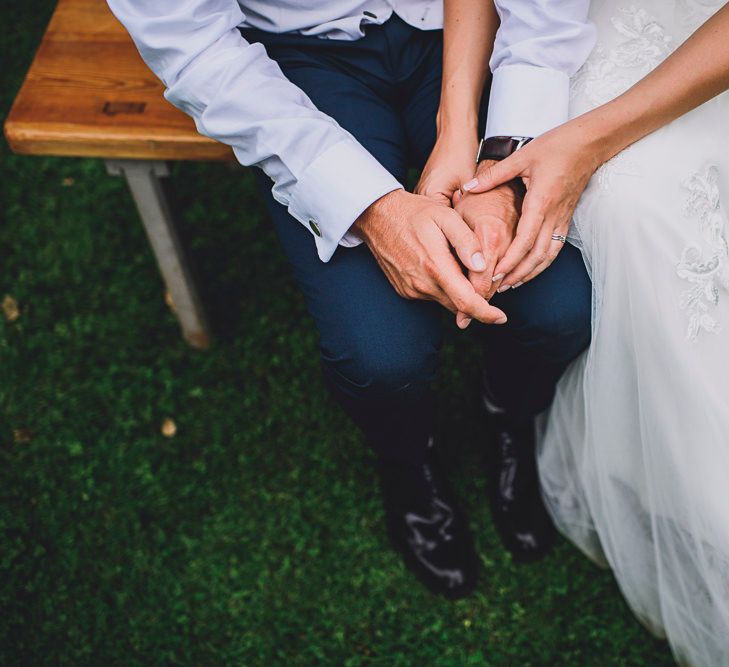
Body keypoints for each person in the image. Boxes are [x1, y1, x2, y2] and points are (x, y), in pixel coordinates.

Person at [107, 0, 595, 598]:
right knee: (380, 355)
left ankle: (508, 418)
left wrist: (503, 154)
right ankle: (408, 463)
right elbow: (194, 48)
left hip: (469, 27)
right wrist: (370, 209)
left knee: (559, 306)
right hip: (296, 58)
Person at [430, 0, 729, 662]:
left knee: (638, 196)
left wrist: (589, 140)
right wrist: (486, 146)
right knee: (634, 207)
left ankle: (676, 471)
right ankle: (514, 408)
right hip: (587, 21)